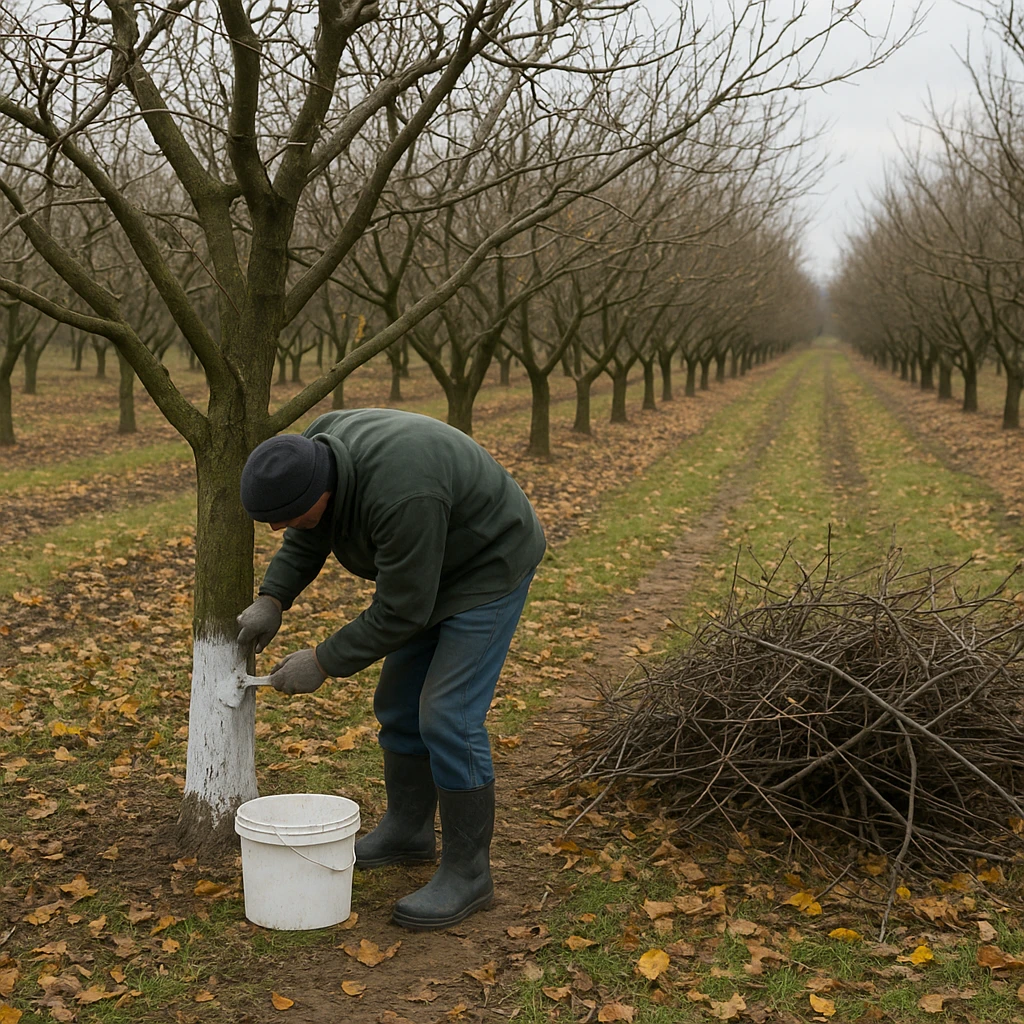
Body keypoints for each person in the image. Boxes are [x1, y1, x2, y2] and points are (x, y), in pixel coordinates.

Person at [235, 408, 545, 930]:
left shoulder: (403, 493)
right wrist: (274, 596)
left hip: (486, 563)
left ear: (320, 490)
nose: (276, 528)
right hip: (429, 561)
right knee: (399, 705)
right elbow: (310, 531)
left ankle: (470, 873)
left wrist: (323, 661)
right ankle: (409, 831)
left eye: (284, 517)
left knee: (447, 715)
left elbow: (402, 609)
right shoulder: (311, 453)